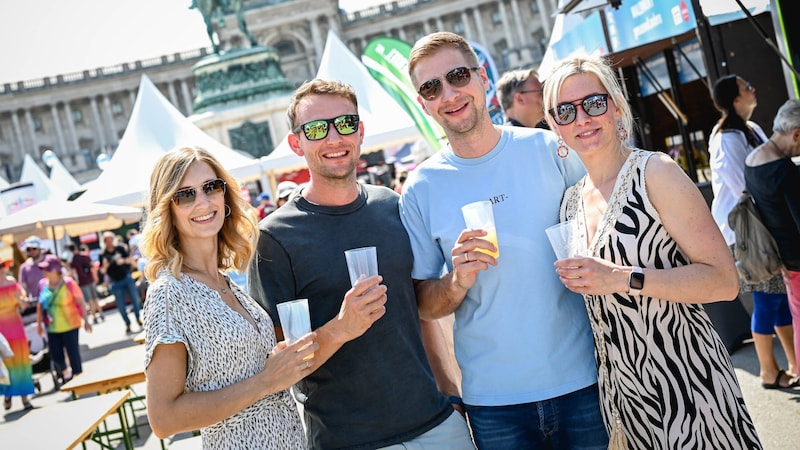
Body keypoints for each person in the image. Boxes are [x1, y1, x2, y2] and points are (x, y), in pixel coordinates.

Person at [543, 54, 761, 449]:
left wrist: (621, 278)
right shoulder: (570, 203)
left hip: (690, 388)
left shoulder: (655, 173)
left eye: (594, 103)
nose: (583, 119)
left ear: (616, 106)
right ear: (555, 126)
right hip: (625, 402)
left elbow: (724, 281)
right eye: (565, 111)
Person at [401, 32, 604, 449]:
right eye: (431, 87)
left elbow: (606, 233)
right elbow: (423, 301)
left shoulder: (552, 149)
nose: (449, 93)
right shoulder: (420, 187)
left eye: (458, 75)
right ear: (423, 102)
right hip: (494, 401)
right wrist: (457, 281)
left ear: (482, 78)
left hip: (585, 379)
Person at [248, 79, 473, 449]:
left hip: (436, 425)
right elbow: (280, 366)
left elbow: (416, 307)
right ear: (296, 143)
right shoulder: (275, 238)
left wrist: (449, 392)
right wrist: (342, 327)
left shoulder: (391, 206)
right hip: (349, 440)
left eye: (346, 123)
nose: (334, 138)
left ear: (361, 132)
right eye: (317, 129)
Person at [140, 146, 315, 448]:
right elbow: (163, 418)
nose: (203, 202)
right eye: (185, 195)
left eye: (211, 187)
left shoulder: (225, 281)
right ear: (167, 208)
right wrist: (266, 381)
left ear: (225, 194)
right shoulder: (170, 294)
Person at [708, 74, 796, 389]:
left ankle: (792, 363)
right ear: (734, 99)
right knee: (767, 299)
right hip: (747, 233)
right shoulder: (726, 138)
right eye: (747, 87)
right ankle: (769, 371)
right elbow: (743, 186)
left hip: (765, 226)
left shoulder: (751, 129)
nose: (753, 88)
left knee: (779, 298)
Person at [745, 98, 800, 385]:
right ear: (796, 134)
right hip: (796, 254)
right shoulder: (784, 170)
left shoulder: (753, 160)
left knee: (795, 313)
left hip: (778, 255)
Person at [35, 254, 92, 382]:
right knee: (56, 356)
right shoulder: (42, 284)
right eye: (44, 269)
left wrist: (86, 321)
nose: (45, 272)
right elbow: (39, 306)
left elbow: (81, 302)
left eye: (48, 269)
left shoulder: (69, 283)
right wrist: (39, 324)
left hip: (70, 324)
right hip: (52, 327)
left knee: (73, 354)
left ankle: (79, 380)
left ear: (56, 269)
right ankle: (66, 373)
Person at [0, 258, 35, 411]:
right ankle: (7, 395)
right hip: (2, 328)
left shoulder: (12, 282)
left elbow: (23, 303)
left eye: (1, 265)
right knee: (5, 363)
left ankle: (25, 398)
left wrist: (21, 300)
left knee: (21, 360)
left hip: (15, 325)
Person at [100, 230, 142, 333]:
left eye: (111, 239)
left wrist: (122, 261)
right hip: (115, 282)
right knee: (121, 305)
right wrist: (106, 265)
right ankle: (127, 323)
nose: (109, 242)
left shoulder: (120, 249)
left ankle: (138, 318)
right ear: (104, 242)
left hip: (126, 277)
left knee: (136, 299)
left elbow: (130, 260)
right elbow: (102, 271)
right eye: (107, 240)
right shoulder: (103, 254)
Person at [69, 243, 104, 324]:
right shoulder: (84, 256)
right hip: (90, 279)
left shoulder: (73, 260)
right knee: (95, 298)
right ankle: (101, 314)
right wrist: (95, 276)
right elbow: (93, 266)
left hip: (82, 282)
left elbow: (73, 273)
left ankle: (94, 316)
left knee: (89, 300)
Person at [18, 236, 46, 302]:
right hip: (35, 302)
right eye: (28, 249)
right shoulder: (24, 267)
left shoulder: (49, 261)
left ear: (39, 249)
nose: (31, 251)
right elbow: (23, 287)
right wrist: (24, 297)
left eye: (34, 248)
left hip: (53, 300)